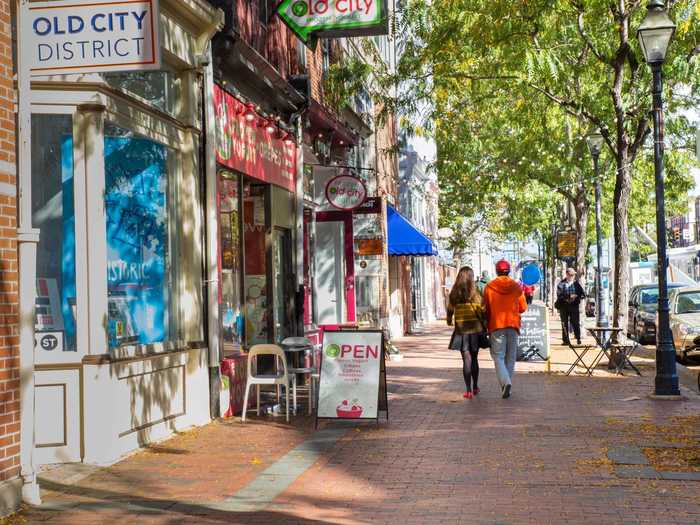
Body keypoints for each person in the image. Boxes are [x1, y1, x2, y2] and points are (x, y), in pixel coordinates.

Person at [483, 260, 527, 399]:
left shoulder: (489, 287)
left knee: (498, 356)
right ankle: (507, 383)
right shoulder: (516, 286)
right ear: (508, 271)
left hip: (496, 325)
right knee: (510, 357)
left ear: (496, 271)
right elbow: (523, 307)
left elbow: (486, 308)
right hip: (513, 325)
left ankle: (505, 382)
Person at [447, 266, 487, 399]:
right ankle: (475, 387)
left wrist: (449, 320)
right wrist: (485, 323)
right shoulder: (476, 294)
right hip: (475, 330)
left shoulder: (454, 293)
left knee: (466, 360)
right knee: (474, 358)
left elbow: (450, 310)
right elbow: (483, 310)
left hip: (461, 331)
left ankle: (468, 390)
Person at [555, 268, 586, 345]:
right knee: (564, 324)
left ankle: (578, 338)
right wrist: (569, 296)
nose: (572, 276)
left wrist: (577, 296)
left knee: (575, 322)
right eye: (571, 275)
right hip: (564, 306)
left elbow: (583, 294)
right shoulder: (561, 284)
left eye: (573, 275)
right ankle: (566, 340)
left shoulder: (576, 284)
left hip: (574, 306)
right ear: (567, 275)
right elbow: (559, 295)